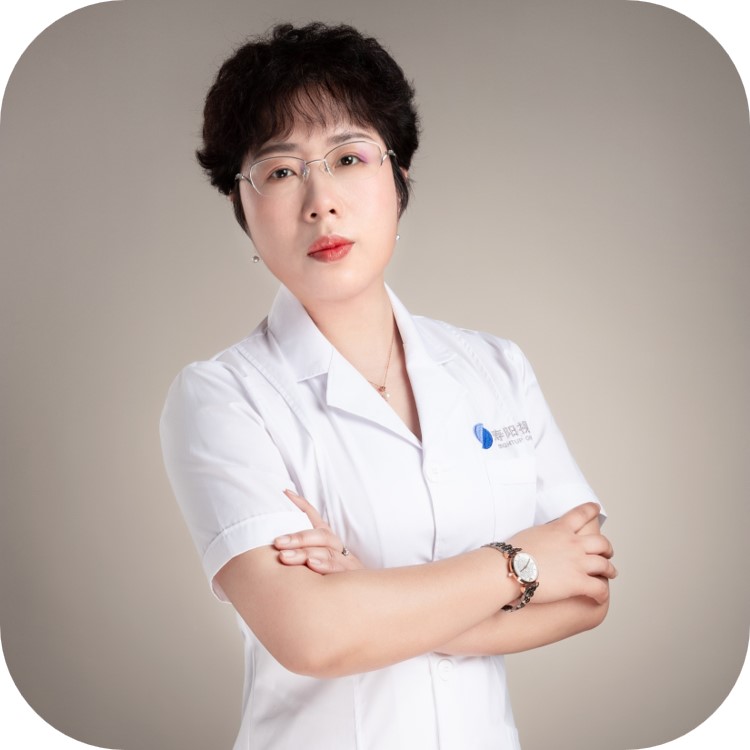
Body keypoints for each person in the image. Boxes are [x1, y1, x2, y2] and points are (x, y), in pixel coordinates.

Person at [160, 22, 616, 750]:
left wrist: (373, 597)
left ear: (399, 179)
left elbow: (588, 589)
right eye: (280, 171)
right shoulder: (221, 397)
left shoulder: (495, 366)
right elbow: (314, 636)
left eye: (349, 157)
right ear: (242, 208)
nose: (321, 201)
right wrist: (519, 565)